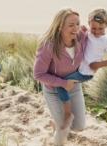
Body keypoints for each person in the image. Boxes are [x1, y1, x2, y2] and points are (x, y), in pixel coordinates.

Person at [56, 8, 107, 130]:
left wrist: (98, 65)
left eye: (101, 29)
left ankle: (68, 114)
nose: (96, 31)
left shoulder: (106, 40)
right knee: (63, 81)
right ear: (89, 23)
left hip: (86, 73)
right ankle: (65, 106)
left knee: (61, 84)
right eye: (93, 28)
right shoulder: (88, 33)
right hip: (78, 69)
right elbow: (78, 33)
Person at [33, 8, 88, 145]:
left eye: (77, 24)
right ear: (59, 27)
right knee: (63, 128)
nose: (76, 28)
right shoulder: (48, 45)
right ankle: (58, 128)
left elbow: (97, 35)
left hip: (74, 88)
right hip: (54, 90)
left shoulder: (80, 38)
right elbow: (38, 74)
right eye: (71, 25)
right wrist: (63, 83)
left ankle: (56, 123)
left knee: (79, 126)